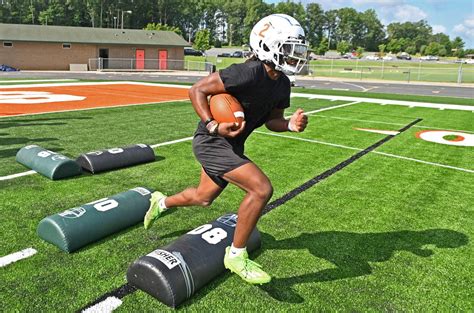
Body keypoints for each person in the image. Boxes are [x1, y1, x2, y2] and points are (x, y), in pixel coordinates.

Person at [144, 14, 309, 285]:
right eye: (289, 47)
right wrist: (211, 125)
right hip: (210, 141)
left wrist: (289, 124)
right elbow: (197, 89)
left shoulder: (282, 84)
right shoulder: (247, 71)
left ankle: (161, 202)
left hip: (231, 145)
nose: (295, 54)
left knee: (203, 197)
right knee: (261, 188)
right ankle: (236, 254)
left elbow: (272, 121)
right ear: (267, 44)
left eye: (297, 48)